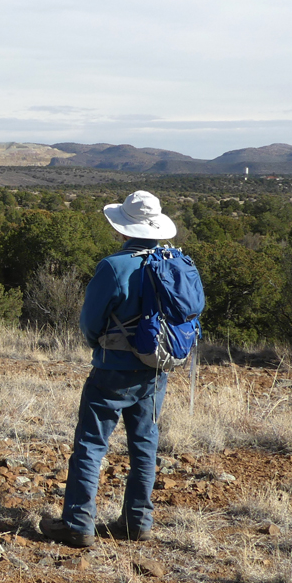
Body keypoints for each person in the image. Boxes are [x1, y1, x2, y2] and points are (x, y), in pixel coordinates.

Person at [39, 190, 177, 547]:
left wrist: (99, 346)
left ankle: (78, 525)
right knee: (145, 447)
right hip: (156, 370)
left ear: (124, 227)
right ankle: (137, 523)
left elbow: (90, 322)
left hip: (113, 370)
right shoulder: (174, 263)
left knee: (90, 445)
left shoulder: (114, 266)